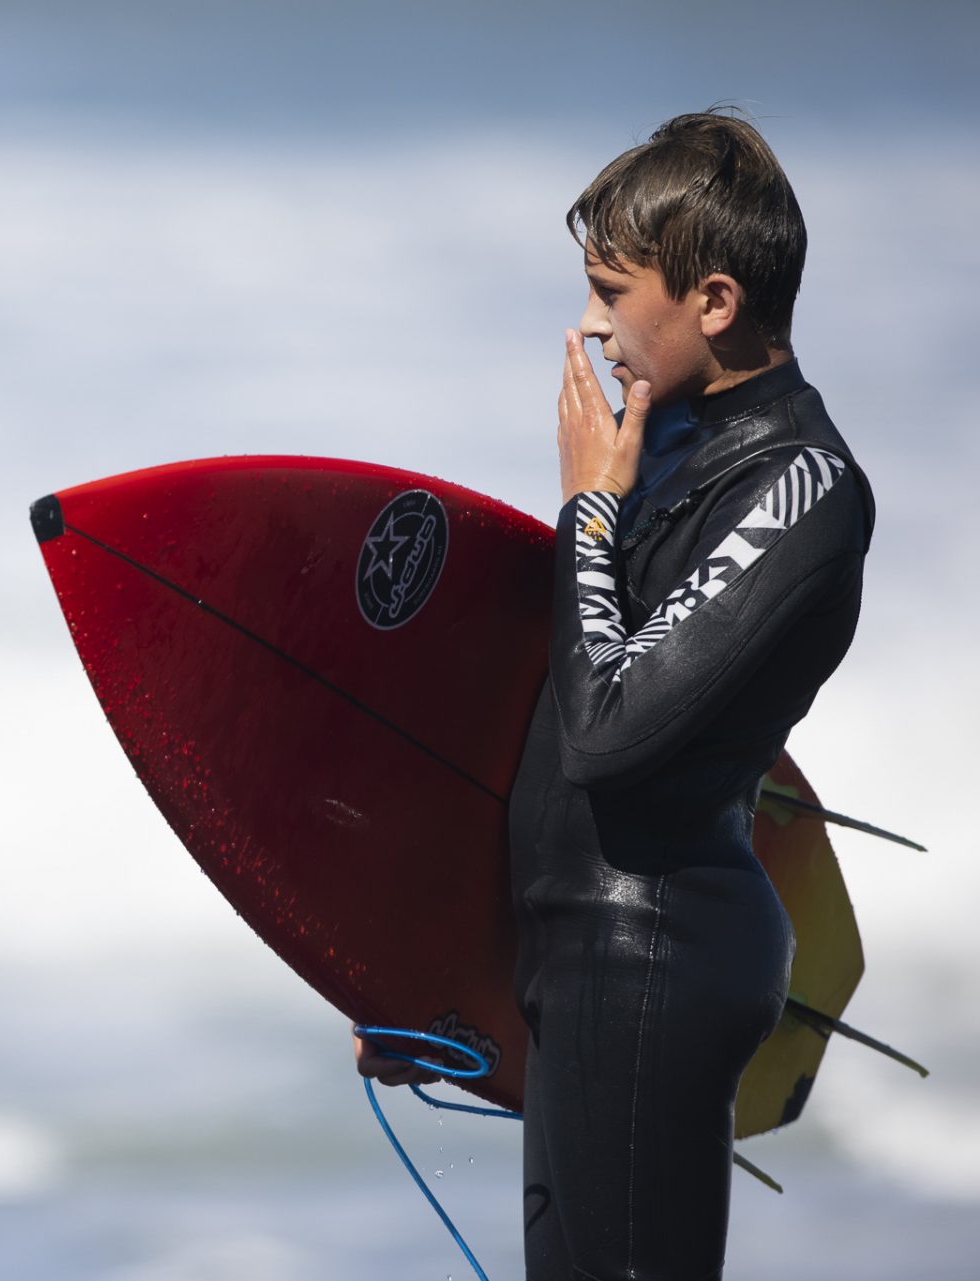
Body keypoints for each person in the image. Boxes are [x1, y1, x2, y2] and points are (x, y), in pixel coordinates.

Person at [356, 111, 874, 1279]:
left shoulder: (802, 487)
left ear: (715, 301)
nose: (590, 326)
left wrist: (588, 509)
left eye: (611, 291)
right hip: (581, 959)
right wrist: (429, 974)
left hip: (656, 970)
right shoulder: (666, 455)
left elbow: (606, 733)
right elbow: (540, 738)